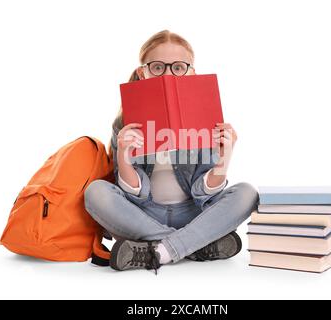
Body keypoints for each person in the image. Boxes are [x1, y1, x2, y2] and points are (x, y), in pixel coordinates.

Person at [84, 30, 258, 274]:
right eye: (157, 67)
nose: (167, 74)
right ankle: (193, 245)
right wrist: (123, 156)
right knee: (95, 192)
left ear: (191, 72)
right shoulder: (124, 123)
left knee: (247, 193)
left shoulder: (206, 115)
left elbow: (202, 192)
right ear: (143, 72)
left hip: (194, 213)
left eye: (178, 67)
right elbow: (136, 195)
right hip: (143, 215)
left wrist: (224, 159)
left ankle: (155, 251)